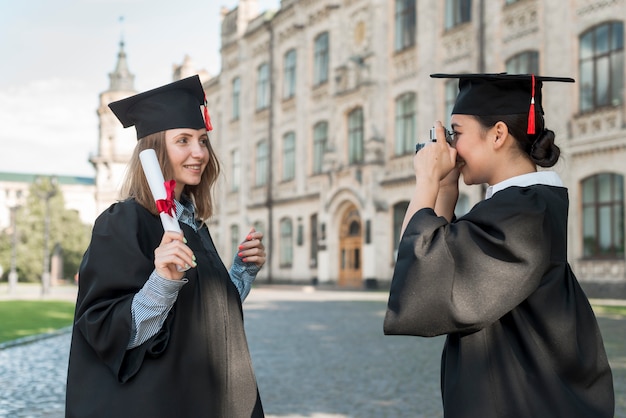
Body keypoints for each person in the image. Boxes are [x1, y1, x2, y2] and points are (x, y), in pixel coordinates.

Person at [383, 73, 614, 417]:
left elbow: (423, 277)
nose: (450, 147)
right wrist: (445, 189)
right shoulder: (515, 206)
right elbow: (435, 256)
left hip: (523, 402)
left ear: (498, 134)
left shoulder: (522, 214)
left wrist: (426, 180)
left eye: (457, 133)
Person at [65, 75, 265, 417]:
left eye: (203, 141)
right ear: (155, 149)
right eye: (183, 140)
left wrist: (241, 273)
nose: (199, 153)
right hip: (162, 402)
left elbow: (203, 316)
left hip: (206, 397)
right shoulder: (123, 222)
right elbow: (106, 332)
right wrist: (162, 282)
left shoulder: (191, 224)